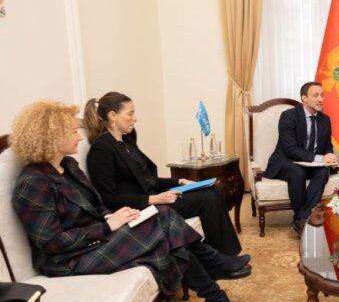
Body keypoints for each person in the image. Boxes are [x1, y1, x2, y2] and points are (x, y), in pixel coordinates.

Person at [11, 101, 250, 302]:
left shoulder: (69, 167)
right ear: (53, 137)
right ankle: (215, 275)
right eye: (74, 131)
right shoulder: (33, 183)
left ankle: (215, 294)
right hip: (69, 259)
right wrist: (107, 226)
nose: (80, 137)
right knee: (164, 221)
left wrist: (111, 216)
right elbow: (52, 242)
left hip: (94, 240)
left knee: (163, 223)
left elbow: (96, 204)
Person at [84, 92, 244, 258]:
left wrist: (179, 181)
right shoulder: (101, 149)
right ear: (112, 116)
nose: (135, 118)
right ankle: (221, 258)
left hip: (155, 198)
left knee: (214, 190)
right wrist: (154, 199)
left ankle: (224, 254)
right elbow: (108, 198)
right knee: (207, 199)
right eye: (130, 114)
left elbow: (147, 180)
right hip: (141, 208)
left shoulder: (126, 143)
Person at [264, 81, 337, 235]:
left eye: (322, 95)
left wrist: (330, 156)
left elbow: (327, 146)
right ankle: (304, 219)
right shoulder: (288, 116)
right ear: (304, 98)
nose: (321, 99)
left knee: (323, 172)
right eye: (316, 95)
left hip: (311, 164)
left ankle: (301, 219)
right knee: (297, 172)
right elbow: (290, 149)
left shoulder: (325, 120)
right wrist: (320, 158)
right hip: (287, 161)